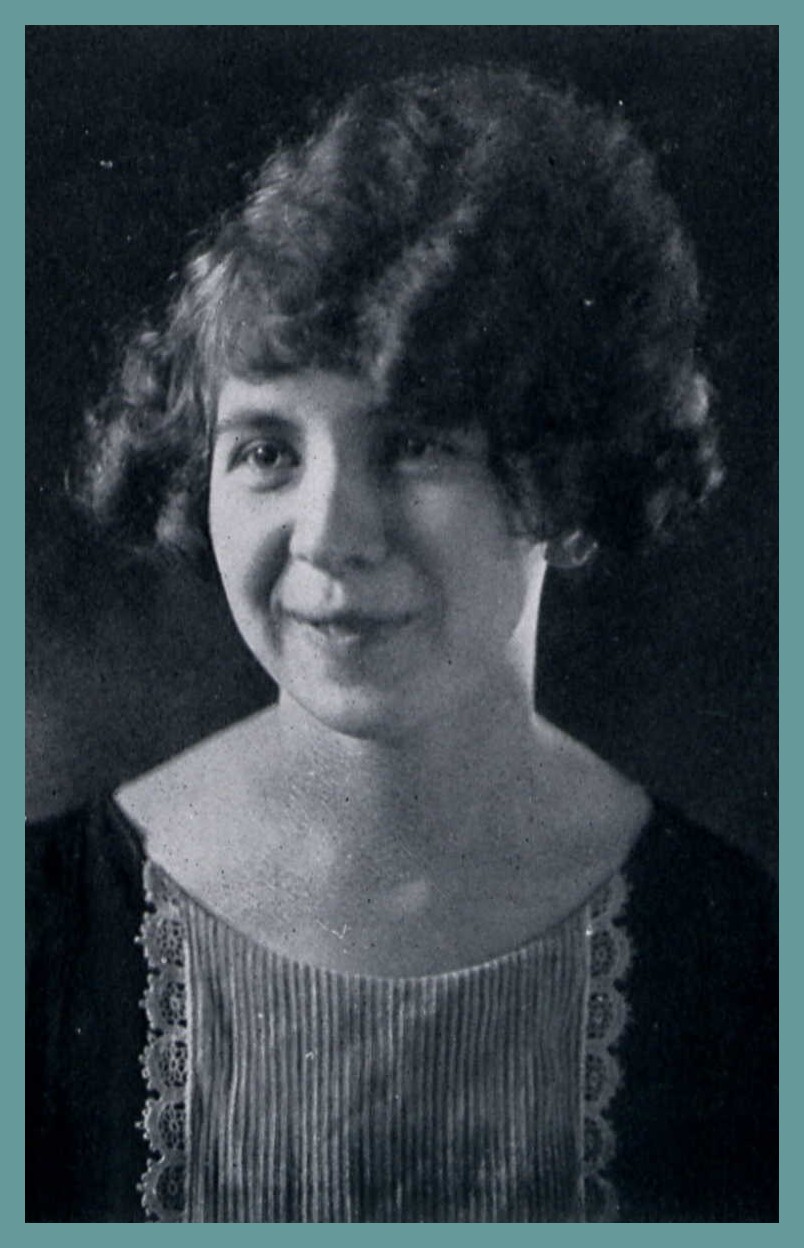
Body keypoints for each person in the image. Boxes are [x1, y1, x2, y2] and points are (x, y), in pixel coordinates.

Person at [26, 67, 776, 1222]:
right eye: (267, 451)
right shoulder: (46, 929)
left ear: (568, 480)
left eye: (417, 442)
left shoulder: (742, 958)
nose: (331, 533)